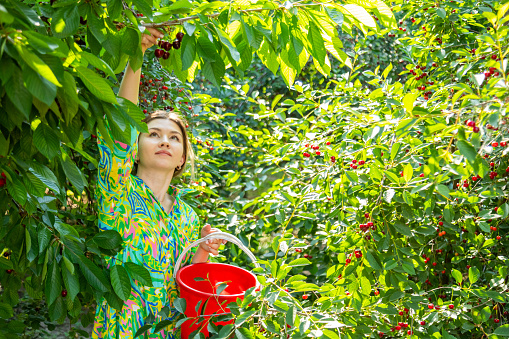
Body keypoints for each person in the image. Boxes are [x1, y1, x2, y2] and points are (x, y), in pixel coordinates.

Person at [92, 27, 224, 339]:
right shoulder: (119, 190)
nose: (164, 140)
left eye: (174, 138)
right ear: (135, 149)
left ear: (181, 158)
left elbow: (184, 285)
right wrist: (136, 56)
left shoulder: (187, 216)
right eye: (153, 134)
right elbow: (120, 126)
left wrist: (203, 249)